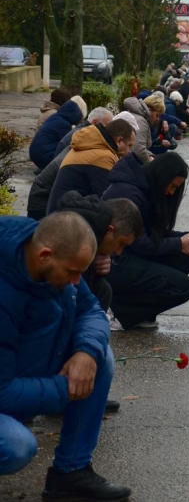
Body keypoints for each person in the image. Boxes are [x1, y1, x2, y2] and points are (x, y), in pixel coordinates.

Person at [0, 212, 132, 501]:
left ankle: (71, 472)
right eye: (72, 272)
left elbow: (91, 311)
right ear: (45, 255)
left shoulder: (51, 251)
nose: (76, 282)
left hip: (16, 369)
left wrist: (86, 353)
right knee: (16, 446)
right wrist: (68, 388)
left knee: (101, 357)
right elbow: (3, 392)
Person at [102, 152, 189, 329]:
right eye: (172, 186)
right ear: (162, 176)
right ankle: (120, 309)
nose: (171, 192)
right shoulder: (130, 193)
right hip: (114, 260)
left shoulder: (145, 188)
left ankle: (139, 313)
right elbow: (141, 244)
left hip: (128, 256)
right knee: (184, 287)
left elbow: (154, 234)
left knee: (188, 255)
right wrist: (179, 243)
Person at [56, 191, 144, 314]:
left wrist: (97, 271)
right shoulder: (76, 239)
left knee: (103, 289)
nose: (118, 252)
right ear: (109, 230)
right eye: (121, 243)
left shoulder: (89, 228)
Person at [28, 109, 116, 221]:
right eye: (107, 125)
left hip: (46, 192)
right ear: (94, 122)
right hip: (43, 195)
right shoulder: (84, 138)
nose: (109, 130)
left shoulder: (84, 136)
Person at [46, 118, 135, 214]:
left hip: (58, 213)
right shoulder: (103, 156)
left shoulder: (91, 145)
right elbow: (107, 199)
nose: (129, 151)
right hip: (66, 220)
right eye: (129, 146)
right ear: (119, 141)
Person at [29, 97, 86, 170]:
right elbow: (68, 144)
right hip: (44, 157)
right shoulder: (64, 125)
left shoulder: (55, 117)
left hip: (35, 153)